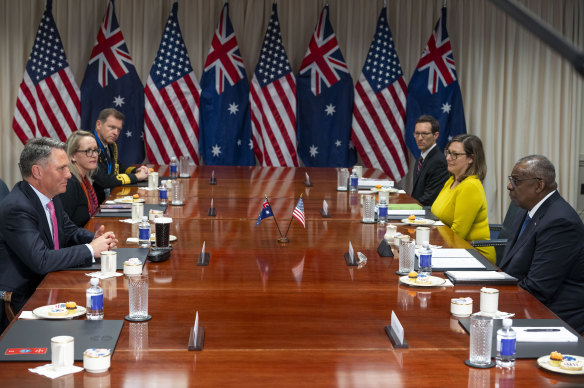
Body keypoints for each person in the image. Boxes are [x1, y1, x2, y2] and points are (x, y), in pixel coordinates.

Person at [0, 138, 116, 333]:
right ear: (37, 172)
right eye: (62, 168)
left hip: (50, 284)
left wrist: (92, 238)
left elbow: (68, 229)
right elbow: (41, 260)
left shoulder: (49, 196)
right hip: (23, 298)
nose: (69, 175)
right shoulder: (18, 207)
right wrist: (90, 249)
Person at [498, 155, 584, 333]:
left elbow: (538, 288)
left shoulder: (560, 222)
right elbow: (511, 267)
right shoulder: (529, 209)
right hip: (522, 299)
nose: (509, 186)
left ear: (539, 185)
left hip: (553, 314)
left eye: (516, 181)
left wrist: (493, 300)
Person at [431, 134, 496, 263]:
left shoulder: (470, 186)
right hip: (450, 248)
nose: (448, 158)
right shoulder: (452, 180)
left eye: (455, 154)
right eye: (448, 152)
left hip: (475, 255)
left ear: (471, 158)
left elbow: (457, 234)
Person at [92, 108, 149, 203]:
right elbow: (104, 180)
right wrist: (136, 177)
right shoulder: (90, 146)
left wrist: (136, 170)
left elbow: (117, 166)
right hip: (95, 202)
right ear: (99, 125)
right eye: (111, 127)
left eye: (118, 129)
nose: (116, 133)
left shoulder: (110, 144)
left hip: (108, 197)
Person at [58, 130, 100, 226]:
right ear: (73, 156)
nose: (94, 155)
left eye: (95, 150)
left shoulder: (85, 180)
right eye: (88, 151)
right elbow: (64, 227)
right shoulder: (69, 184)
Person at [410, 115, 449, 206]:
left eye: (424, 134)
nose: (419, 138)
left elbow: (429, 198)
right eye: (417, 133)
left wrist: (407, 207)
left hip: (427, 215)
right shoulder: (421, 158)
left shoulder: (439, 161)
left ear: (435, 135)